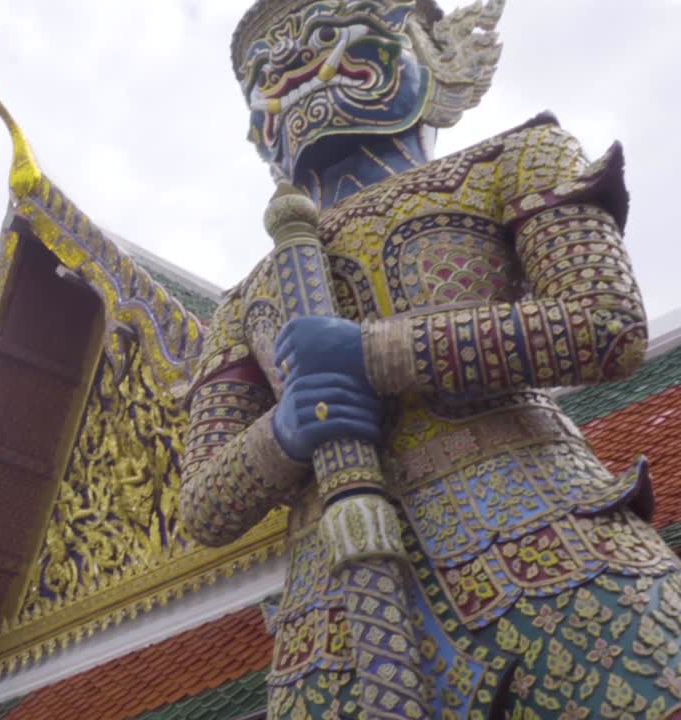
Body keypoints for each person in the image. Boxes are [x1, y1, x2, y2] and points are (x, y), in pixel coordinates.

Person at [178, 1, 681, 717]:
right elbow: (202, 505)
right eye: (267, 72)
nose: (293, 74)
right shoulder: (244, 304)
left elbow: (604, 323)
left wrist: (378, 353)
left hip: (556, 550)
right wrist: (288, 427)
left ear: (437, 52)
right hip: (338, 620)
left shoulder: (516, 161)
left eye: (330, 38)